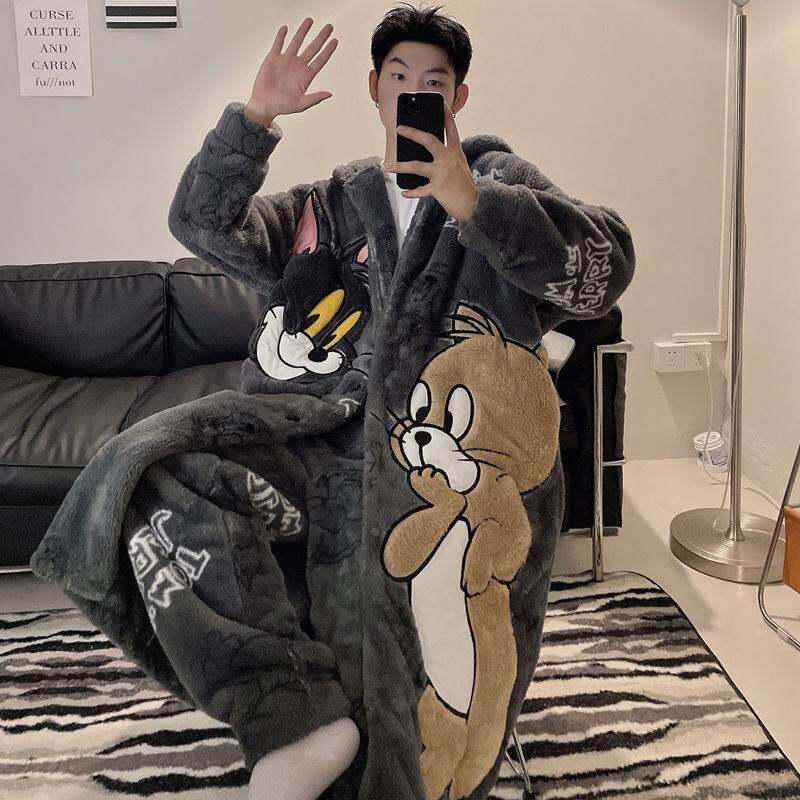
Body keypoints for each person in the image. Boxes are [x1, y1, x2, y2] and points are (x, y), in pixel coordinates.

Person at [165, 5, 636, 799]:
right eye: (399, 77)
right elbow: (201, 225)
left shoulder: (501, 182)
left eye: (433, 83)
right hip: (324, 450)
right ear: (374, 89)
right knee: (155, 471)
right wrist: (256, 118)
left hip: (450, 469)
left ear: (458, 98)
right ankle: (295, 719)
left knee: (437, 693)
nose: (414, 92)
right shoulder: (329, 207)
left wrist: (472, 200)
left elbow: (602, 273)